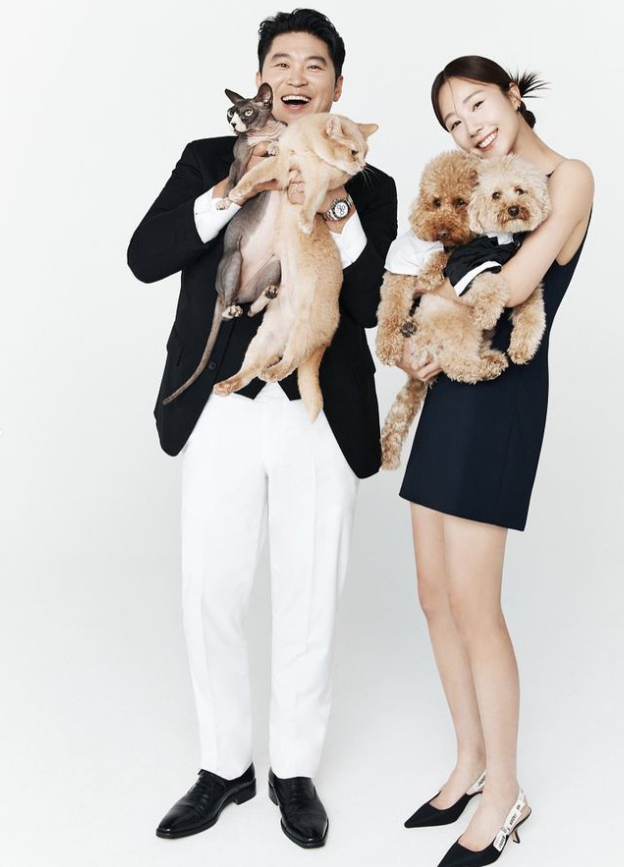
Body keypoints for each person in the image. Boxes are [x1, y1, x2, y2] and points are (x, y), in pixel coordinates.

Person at [126, 8, 397, 849]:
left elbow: (364, 305)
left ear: (337, 85)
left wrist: (335, 197)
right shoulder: (209, 156)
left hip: (319, 406)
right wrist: (234, 190)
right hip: (221, 400)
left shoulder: (373, 185)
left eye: (316, 65)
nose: (298, 77)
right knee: (211, 587)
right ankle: (223, 765)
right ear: (260, 79)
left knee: (310, 594)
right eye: (282, 62)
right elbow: (145, 257)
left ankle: (294, 769)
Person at [388, 56, 594, 867]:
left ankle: (505, 792)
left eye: (476, 104)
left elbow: (510, 285)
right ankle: (470, 759)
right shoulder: (475, 186)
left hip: (502, 392)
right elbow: (432, 274)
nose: (469, 127)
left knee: (477, 606)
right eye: (453, 121)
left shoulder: (567, 177)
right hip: (450, 389)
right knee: (433, 594)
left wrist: (431, 309)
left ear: (511, 94)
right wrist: (412, 342)